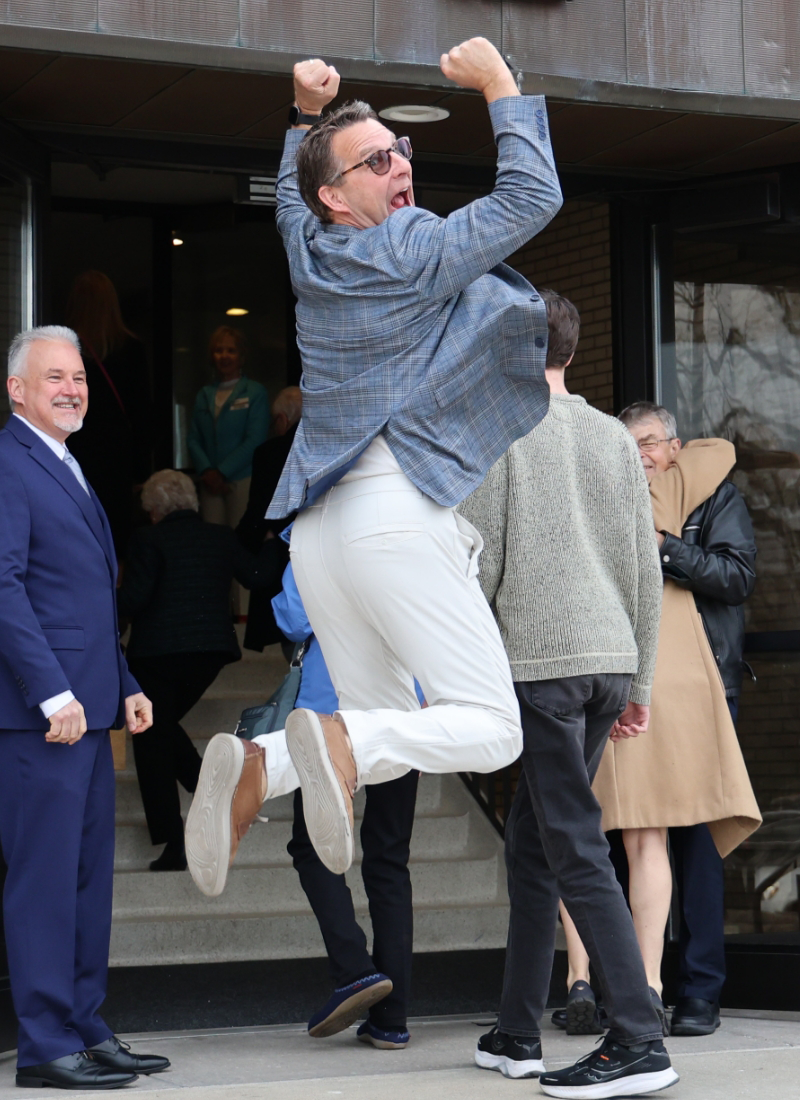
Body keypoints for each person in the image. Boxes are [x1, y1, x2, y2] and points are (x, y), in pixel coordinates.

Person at [185, 36, 564, 903]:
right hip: (396, 513)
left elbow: (285, 200)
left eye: (402, 151)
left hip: (320, 536)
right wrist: (501, 84)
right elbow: (532, 193)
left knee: (369, 723)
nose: (401, 166)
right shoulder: (411, 249)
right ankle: (328, 752)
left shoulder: (309, 253)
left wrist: (305, 116)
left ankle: (258, 763)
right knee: (491, 730)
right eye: (376, 159)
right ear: (339, 197)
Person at [460, 291, 678, 1097]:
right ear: (569, 353)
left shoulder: (499, 432)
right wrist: (640, 680)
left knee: (576, 845)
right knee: (535, 842)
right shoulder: (612, 439)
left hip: (543, 666)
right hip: (608, 661)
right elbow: (641, 569)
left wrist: (449, 680)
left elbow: (477, 565)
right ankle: (517, 1030)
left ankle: (637, 1036)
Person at [0, 326, 168, 1089]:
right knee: (43, 881)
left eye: (79, 378)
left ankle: (85, 1025)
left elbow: (82, 602)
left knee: (86, 882)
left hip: (89, 710)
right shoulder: (9, 463)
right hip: (43, 719)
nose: (72, 388)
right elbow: (4, 589)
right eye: (55, 377)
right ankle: (43, 1044)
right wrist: (54, 691)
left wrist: (124, 681)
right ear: (18, 390)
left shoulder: (64, 464)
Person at [583, 403, 760, 1038]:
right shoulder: (607, 500)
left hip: (704, 687)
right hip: (630, 692)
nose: (644, 454)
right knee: (628, 838)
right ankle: (630, 988)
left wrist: (666, 550)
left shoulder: (712, 497)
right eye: (631, 444)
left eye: (653, 442)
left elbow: (737, 577)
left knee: (699, 844)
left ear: (676, 446)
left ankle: (700, 991)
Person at [271, 564, 419, 1048]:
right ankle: (391, 1020)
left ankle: (355, 970)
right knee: (389, 859)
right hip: (403, 706)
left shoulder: (313, 532)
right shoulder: (412, 524)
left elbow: (293, 620)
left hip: (328, 706)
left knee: (312, 845)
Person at [117, 469, 281, 871]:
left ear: (154, 511)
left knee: (153, 734)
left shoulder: (147, 539)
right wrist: (280, 542)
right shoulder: (221, 536)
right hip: (209, 653)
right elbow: (259, 575)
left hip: (156, 654)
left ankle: (180, 837)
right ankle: (217, 799)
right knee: (160, 730)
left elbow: (134, 598)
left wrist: (105, 626)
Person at [64, 269, 152, 557]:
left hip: (75, 455)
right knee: (114, 540)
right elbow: (141, 415)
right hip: (117, 460)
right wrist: (141, 469)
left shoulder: (63, 352)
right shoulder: (131, 350)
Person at [236, 386, 302, 654]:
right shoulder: (332, 446)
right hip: (328, 550)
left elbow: (261, 508)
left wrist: (242, 543)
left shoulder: (270, 452)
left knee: (292, 625)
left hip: (285, 552)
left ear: (282, 420)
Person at [187, 325, 269, 529]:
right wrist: (207, 471)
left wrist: (222, 472)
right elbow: (193, 438)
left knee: (240, 539)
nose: (224, 356)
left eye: (231, 350)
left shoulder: (255, 392)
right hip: (209, 483)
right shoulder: (203, 394)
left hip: (242, 479)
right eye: (219, 350)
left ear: (241, 356)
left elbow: (255, 440)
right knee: (213, 542)